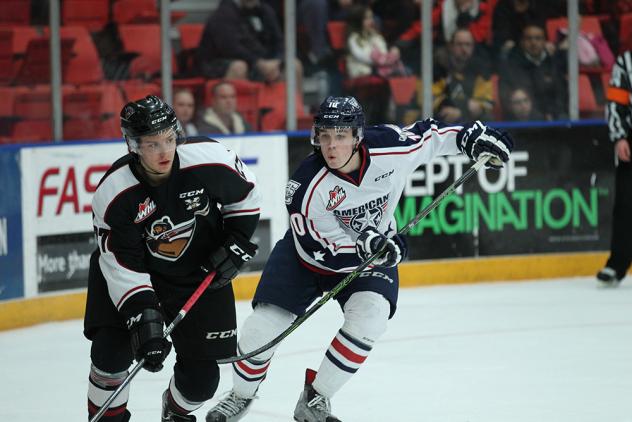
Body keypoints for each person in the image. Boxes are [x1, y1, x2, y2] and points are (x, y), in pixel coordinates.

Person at [205, 95, 514, 421]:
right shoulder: (305, 186)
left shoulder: (391, 148)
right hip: (304, 259)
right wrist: (368, 247)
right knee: (259, 331)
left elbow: (432, 137)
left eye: (340, 136)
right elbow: (319, 248)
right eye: (325, 136)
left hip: (371, 259)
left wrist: (470, 138)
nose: (331, 146)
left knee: (372, 317)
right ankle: (240, 394)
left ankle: (315, 398)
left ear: (357, 136)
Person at [84, 95, 262, 422]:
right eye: (152, 144)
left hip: (198, 273)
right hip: (136, 276)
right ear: (133, 145)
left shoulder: (209, 159)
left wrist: (235, 242)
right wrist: (143, 317)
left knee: (201, 382)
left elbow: (247, 197)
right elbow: (121, 264)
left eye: (169, 138)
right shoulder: (114, 193)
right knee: (111, 354)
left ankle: (175, 414)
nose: (165, 151)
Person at [596, 50, 632, 286]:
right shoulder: (627, 61)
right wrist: (620, 137)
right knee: (626, 206)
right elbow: (616, 103)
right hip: (631, 139)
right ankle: (617, 264)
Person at [499, 21, 567, 121]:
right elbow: (507, 99)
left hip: (552, 120)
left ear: (545, 41)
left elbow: (562, 96)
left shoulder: (554, 65)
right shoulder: (511, 67)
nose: (533, 42)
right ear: (522, 42)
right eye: (528, 38)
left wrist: (552, 113)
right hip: (522, 122)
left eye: (538, 38)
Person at [433, 28, 493, 123]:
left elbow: (485, 101)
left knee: (487, 119)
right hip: (445, 115)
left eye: (467, 44)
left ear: (473, 47)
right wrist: (463, 107)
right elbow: (432, 98)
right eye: (459, 44)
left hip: (471, 118)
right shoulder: (439, 67)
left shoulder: (481, 69)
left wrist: (460, 111)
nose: (464, 48)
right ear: (451, 46)